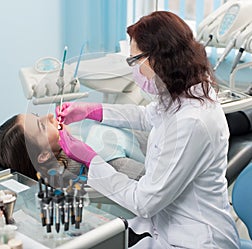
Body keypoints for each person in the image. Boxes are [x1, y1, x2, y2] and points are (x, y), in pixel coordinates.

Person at [56, 11, 240, 249]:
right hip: (165, 228)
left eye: (135, 61)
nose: (134, 70)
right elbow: (147, 115)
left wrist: (91, 159)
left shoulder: (192, 121)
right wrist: (91, 110)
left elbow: (144, 202)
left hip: (197, 240)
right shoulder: (183, 93)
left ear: (159, 58)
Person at [0, 113, 146, 186]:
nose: (50, 116)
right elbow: (155, 180)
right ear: (44, 155)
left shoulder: (67, 149)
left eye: (38, 116)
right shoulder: (106, 162)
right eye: (42, 125)